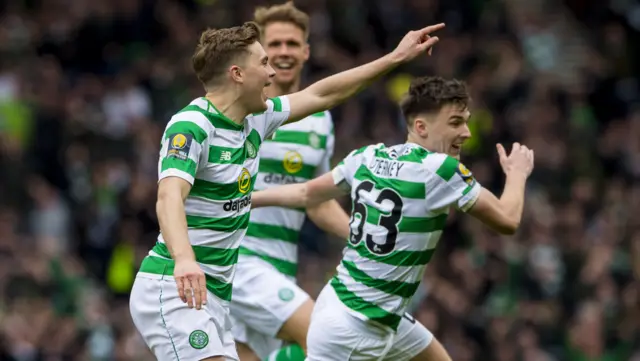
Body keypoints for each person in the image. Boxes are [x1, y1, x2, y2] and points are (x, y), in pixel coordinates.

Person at [128, 19, 445, 361]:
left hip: (215, 293)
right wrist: (185, 259)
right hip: (172, 288)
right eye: (263, 63)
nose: (271, 73)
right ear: (237, 74)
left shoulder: (256, 120)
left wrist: (394, 59)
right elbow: (169, 196)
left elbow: (322, 93)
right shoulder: (192, 126)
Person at [249, 76, 535, 361]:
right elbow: (508, 219)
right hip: (353, 329)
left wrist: (247, 199)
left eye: (466, 121)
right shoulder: (441, 170)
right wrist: (517, 174)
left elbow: (305, 193)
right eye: (455, 122)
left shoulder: (367, 156)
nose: (467, 132)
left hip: (360, 311)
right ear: (421, 127)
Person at [228, 3, 350, 361]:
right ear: (260, 55)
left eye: (292, 44)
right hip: (238, 258)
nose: (284, 52)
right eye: (275, 44)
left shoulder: (320, 121)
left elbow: (316, 198)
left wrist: (361, 237)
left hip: (281, 264)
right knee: (324, 337)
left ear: (306, 51)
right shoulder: (240, 109)